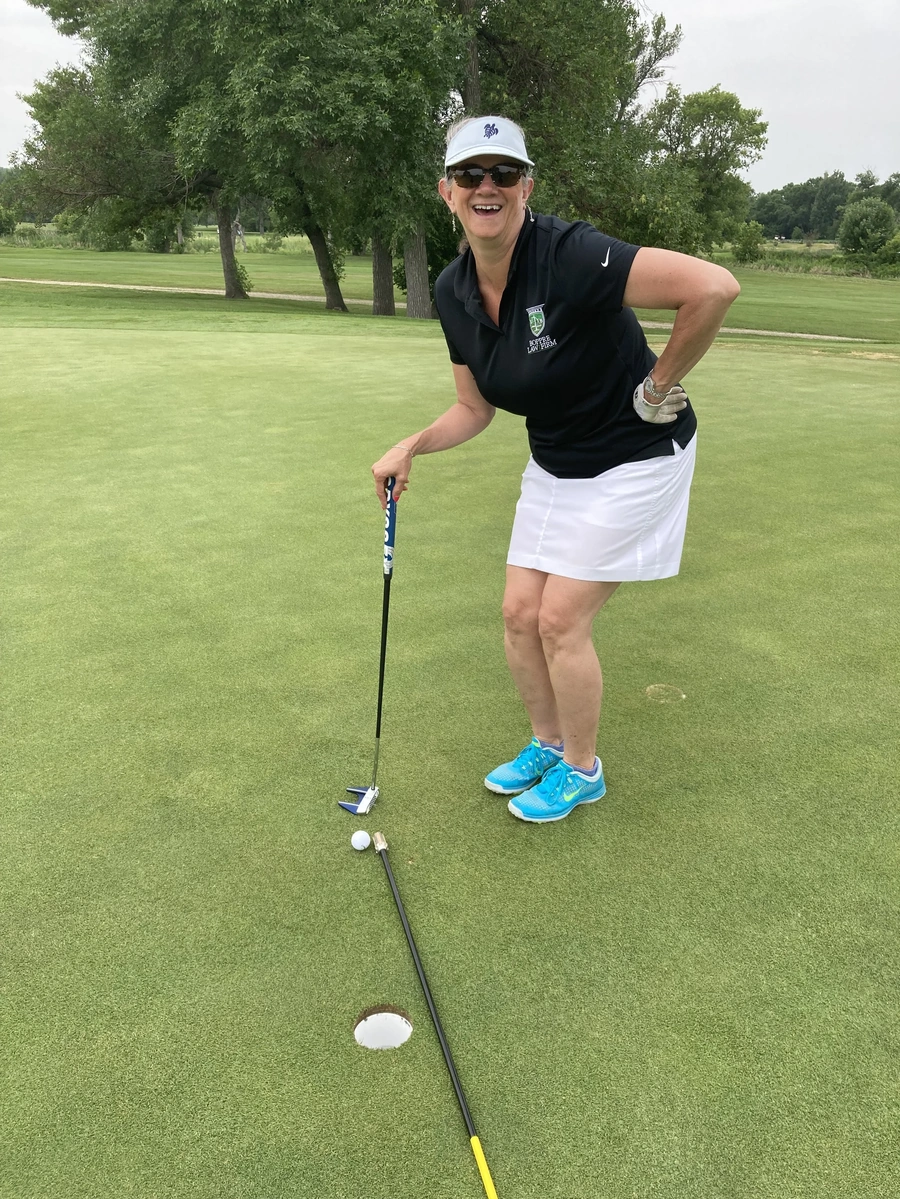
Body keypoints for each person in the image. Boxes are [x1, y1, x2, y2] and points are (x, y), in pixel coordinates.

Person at [371, 115, 740, 824]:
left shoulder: (572, 255)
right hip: (558, 461)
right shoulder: (453, 291)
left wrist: (658, 385)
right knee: (517, 615)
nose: (488, 187)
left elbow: (714, 287)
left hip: (637, 457)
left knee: (559, 618)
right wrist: (410, 445)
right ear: (447, 192)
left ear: (526, 186)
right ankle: (546, 742)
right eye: (471, 175)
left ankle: (582, 768)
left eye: (503, 173)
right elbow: (474, 408)